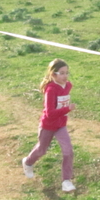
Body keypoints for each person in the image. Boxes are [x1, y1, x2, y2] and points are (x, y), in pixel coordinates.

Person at [22, 58, 77, 192]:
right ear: (53, 75)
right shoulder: (50, 89)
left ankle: (66, 181)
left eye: (67, 73)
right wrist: (67, 109)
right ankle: (28, 162)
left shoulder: (68, 85)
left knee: (68, 150)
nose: (65, 76)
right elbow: (49, 113)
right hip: (48, 125)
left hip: (60, 125)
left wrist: (64, 111)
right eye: (62, 73)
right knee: (42, 150)